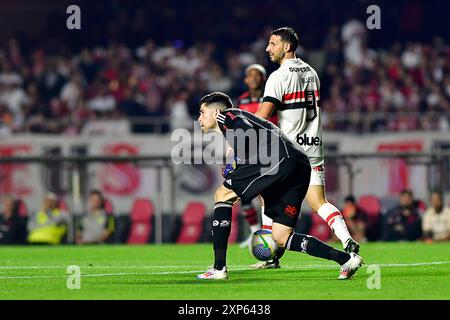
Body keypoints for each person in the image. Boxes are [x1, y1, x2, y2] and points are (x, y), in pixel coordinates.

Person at [196, 92, 363, 280]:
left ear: (216, 111)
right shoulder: (239, 120)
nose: (199, 118)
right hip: (299, 164)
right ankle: (346, 260)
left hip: (277, 159)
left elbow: (244, 132)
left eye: (202, 112)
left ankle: (219, 269)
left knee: (222, 195)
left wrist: (236, 164)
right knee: (281, 236)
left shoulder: (226, 116)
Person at [251, 27, 359, 268]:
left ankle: (272, 255)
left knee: (267, 197)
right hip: (314, 148)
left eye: (273, 43)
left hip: (290, 155)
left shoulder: (278, 77)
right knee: (319, 202)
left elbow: (262, 116)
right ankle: (347, 239)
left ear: (287, 47)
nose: (268, 48)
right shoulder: (312, 72)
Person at [236, 64, 278, 248]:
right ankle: (255, 232)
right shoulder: (242, 101)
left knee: (266, 195)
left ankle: (269, 235)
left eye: (257, 75)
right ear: (245, 80)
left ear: (263, 79)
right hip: (248, 151)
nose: (253, 78)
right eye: (250, 75)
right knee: (242, 194)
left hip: (269, 149)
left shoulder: (269, 97)